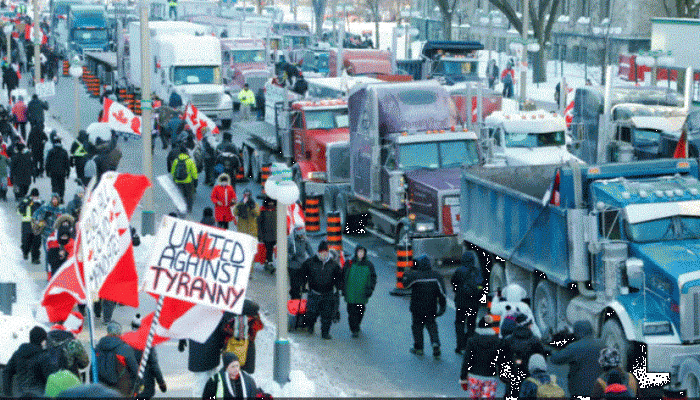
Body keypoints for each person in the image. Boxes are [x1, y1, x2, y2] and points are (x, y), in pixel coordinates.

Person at [179, 311, 234, 397]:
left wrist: (181, 338)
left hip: (200, 351)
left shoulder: (195, 306)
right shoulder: (217, 307)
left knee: (201, 385)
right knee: (208, 383)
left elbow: (185, 319)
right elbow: (224, 327)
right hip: (211, 348)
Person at [403, 255, 446, 358]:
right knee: (432, 325)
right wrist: (442, 307)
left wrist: (406, 274)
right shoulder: (436, 276)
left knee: (417, 327)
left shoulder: (415, 276)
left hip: (417, 308)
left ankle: (419, 348)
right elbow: (442, 293)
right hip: (431, 308)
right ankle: (435, 343)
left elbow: (405, 285)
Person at [550, 320, 605, 398]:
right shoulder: (602, 344)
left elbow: (555, 359)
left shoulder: (574, 347)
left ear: (577, 332)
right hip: (599, 390)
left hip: (580, 392)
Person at [301, 240, 344, 340]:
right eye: (321, 252)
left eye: (325, 252)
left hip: (328, 294)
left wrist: (340, 289)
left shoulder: (334, 265)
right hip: (314, 293)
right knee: (311, 313)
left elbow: (339, 279)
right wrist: (302, 285)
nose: (324, 254)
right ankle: (310, 326)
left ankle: (325, 333)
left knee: (327, 315)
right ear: (318, 252)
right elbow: (303, 274)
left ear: (328, 252)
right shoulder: (310, 262)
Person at [498, 313, 544, 397]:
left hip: (512, 377)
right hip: (530, 377)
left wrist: (502, 375)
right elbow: (540, 360)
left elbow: (502, 360)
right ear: (528, 325)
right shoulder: (535, 341)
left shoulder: (508, 340)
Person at [460, 315, 504, 399]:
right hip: (490, 377)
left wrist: (463, 378)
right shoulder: (498, 342)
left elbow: (466, 361)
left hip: (474, 377)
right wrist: (503, 375)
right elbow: (500, 361)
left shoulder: (472, 341)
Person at [451, 250, 483, 354]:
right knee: (471, 325)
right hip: (474, 303)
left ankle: (461, 346)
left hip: (461, 302)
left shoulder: (459, 271)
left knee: (460, 323)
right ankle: (470, 346)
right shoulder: (477, 271)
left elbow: (453, 282)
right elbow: (482, 285)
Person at [95, 322, 139, 396]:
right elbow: (134, 369)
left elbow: (93, 366)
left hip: (101, 384)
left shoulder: (98, 347)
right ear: (119, 333)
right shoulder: (125, 348)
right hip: (120, 387)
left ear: (108, 332)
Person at [342, 245, 377, 337]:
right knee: (351, 312)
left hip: (362, 293)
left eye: (362, 252)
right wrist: (343, 288)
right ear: (356, 252)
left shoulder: (369, 265)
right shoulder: (349, 263)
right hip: (351, 293)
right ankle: (354, 329)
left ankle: (357, 325)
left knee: (360, 311)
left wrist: (370, 289)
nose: (360, 254)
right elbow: (343, 276)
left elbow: (373, 278)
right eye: (359, 252)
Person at [222, 300, 264, 375]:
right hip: (241, 346)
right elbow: (259, 327)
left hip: (236, 346)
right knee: (241, 369)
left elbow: (223, 330)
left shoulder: (231, 318)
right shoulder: (251, 320)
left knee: (235, 369)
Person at [3, 326, 47, 396]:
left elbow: (7, 372)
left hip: (20, 395)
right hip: (38, 395)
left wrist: (8, 394)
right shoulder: (44, 355)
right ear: (42, 341)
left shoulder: (18, 353)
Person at [129, 317, 167, 399]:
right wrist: (161, 382)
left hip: (129, 381)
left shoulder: (125, 341)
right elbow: (154, 365)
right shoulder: (147, 343)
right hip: (146, 381)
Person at [288, 226, 314, 300]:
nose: (302, 236)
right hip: (293, 267)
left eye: (303, 234)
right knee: (295, 286)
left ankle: (298, 296)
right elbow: (285, 254)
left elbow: (311, 252)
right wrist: (291, 255)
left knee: (300, 285)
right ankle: (295, 298)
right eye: (301, 234)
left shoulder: (305, 240)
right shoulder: (290, 241)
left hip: (302, 266)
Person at [171, 145, 198, 214]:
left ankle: (180, 208)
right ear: (186, 152)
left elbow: (173, 171)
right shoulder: (189, 160)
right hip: (187, 181)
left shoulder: (176, 160)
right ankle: (189, 209)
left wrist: (174, 179)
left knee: (179, 195)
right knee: (189, 195)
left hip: (178, 181)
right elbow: (194, 172)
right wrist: (195, 180)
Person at [18, 187, 42, 263]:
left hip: (36, 224)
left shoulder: (41, 203)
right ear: (31, 195)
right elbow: (18, 211)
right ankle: (25, 252)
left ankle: (35, 259)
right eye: (34, 196)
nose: (35, 198)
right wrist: (24, 206)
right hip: (26, 224)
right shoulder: (25, 201)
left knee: (36, 242)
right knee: (26, 241)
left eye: (36, 196)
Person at [257, 195, 276, 271]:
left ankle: (268, 262)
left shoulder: (277, 210)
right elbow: (259, 224)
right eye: (270, 203)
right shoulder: (262, 211)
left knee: (270, 249)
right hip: (266, 235)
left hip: (274, 235)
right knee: (269, 249)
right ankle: (269, 263)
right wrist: (260, 235)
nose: (271, 205)